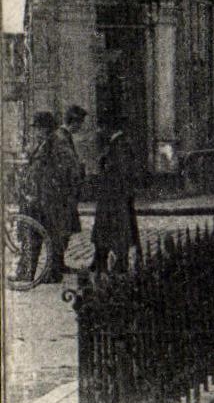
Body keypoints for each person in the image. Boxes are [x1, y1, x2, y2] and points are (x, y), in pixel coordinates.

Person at [15, 111, 77, 283]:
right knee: (34, 234)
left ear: (46, 127)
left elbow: (70, 168)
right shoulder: (44, 142)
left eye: (38, 128)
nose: (36, 131)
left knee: (49, 235)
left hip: (50, 199)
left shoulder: (58, 142)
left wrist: (55, 187)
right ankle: (27, 272)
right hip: (38, 198)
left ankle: (51, 273)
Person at [91, 125, 142, 273]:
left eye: (101, 128)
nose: (98, 131)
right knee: (106, 228)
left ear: (109, 128)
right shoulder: (116, 144)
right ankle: (99, 260)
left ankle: (120, 262)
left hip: (115, 197)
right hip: (112, 196)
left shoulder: (120, 145)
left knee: (118, 230)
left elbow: (122, 172)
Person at [56, 104, 87, 257]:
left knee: (65, 229)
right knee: (62, 229)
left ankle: (59, 264)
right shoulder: (62, 137)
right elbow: (67, 166)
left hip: (68, 192)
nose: (80, 127)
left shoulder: (65, 136)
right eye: (80, 123)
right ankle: (57, 265)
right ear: (73, 121)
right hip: (64, 193)